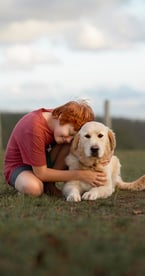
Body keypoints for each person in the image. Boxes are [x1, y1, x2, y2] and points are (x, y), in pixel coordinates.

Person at [4, 99, 107, 197]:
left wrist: (102, 159)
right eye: (70, 133)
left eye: (72, 136)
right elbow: (41, 173)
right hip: (20, 167)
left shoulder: (60, 120)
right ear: (62, 117)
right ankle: (27, 186)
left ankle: (49, 185)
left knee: (72, 144)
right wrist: (81, 175)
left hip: (43, 161)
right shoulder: (34, 128)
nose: (68, 139)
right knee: (34, 188)